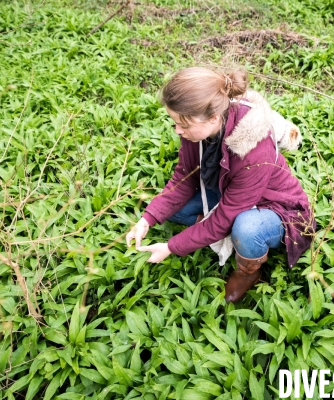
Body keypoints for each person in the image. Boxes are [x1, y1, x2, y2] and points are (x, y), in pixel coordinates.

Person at [126, 67, 315, 303]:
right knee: (174, 209)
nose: (178, 130)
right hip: (227, 190)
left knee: (245, 229)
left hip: (276, 207)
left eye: (183, 125)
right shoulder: (196, 131)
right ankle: (211, 233)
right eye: (175, 122)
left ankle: (248, 271)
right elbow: (184, 179)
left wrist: (172, 247)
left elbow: (226, 216)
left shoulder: (254, 150)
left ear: (213, 117)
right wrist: (148, 219)